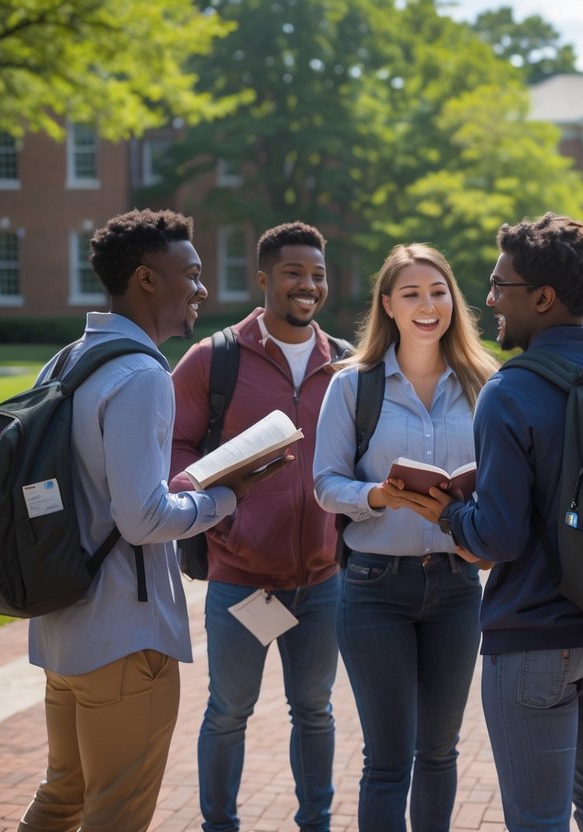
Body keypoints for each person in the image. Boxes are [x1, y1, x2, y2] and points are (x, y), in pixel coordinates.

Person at [18, 209, 281, 832]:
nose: (202, 289)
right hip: (125, 638)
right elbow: (142, 520)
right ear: (145, 280)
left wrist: (178, 490)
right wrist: (226, 495)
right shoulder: (141, 375)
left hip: (62, 626)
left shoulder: (64, 360)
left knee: (61, 799)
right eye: (190, 275)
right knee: (117, 815)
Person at [394, 213, 583, 831]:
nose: (488, 299)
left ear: (543, 297)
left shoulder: (511, 389)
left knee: (537, 819)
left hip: (536, 635)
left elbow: (498, 537)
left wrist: (452, 513)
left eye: (499, 285)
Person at [169, 222, 349, 832]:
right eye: (295, 273)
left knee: (316, 712)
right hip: (241, 578)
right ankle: (219, 825)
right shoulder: (213, 359)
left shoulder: (346, 365)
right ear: (265, 277)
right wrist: (213, 504)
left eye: (319, 275)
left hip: (324, 579)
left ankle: (315, 824)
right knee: (228, 712)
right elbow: (172, 447)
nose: (309, 285)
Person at [312, 243, 498, 832]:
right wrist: (375, 497)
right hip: (374, 588)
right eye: (412, 294)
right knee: (388, 759)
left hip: (456, 585)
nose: (428, 305)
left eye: (438, 291)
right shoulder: (352, 386)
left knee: (440, 752)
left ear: (453, 301)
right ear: (387, 304)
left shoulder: (485, 384)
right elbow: (324, 483)